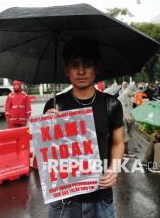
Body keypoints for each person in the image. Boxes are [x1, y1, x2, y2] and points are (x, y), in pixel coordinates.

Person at [44, 38, 124, 218]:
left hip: (101, 198)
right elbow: (46, 155)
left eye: (87, 64)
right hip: (64, 199)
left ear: (97, 68)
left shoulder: (111, 104)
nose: (81, 71)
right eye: (74, 65)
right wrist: (47, 129)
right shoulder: (56, 105)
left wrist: (114, 168)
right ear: (66, 70)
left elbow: (118, 143)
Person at [118, 83, 137, 158]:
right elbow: (123, 110)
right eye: (133, 92)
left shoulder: (129, 97)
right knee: (124, 137)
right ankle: (123, 152)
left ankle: (126, 151)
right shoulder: (122, 97)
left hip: (128, 120)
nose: (133, 94)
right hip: (123, 120)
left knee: (127, 137)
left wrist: (132, 118)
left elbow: (130, 109)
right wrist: (128, 117)